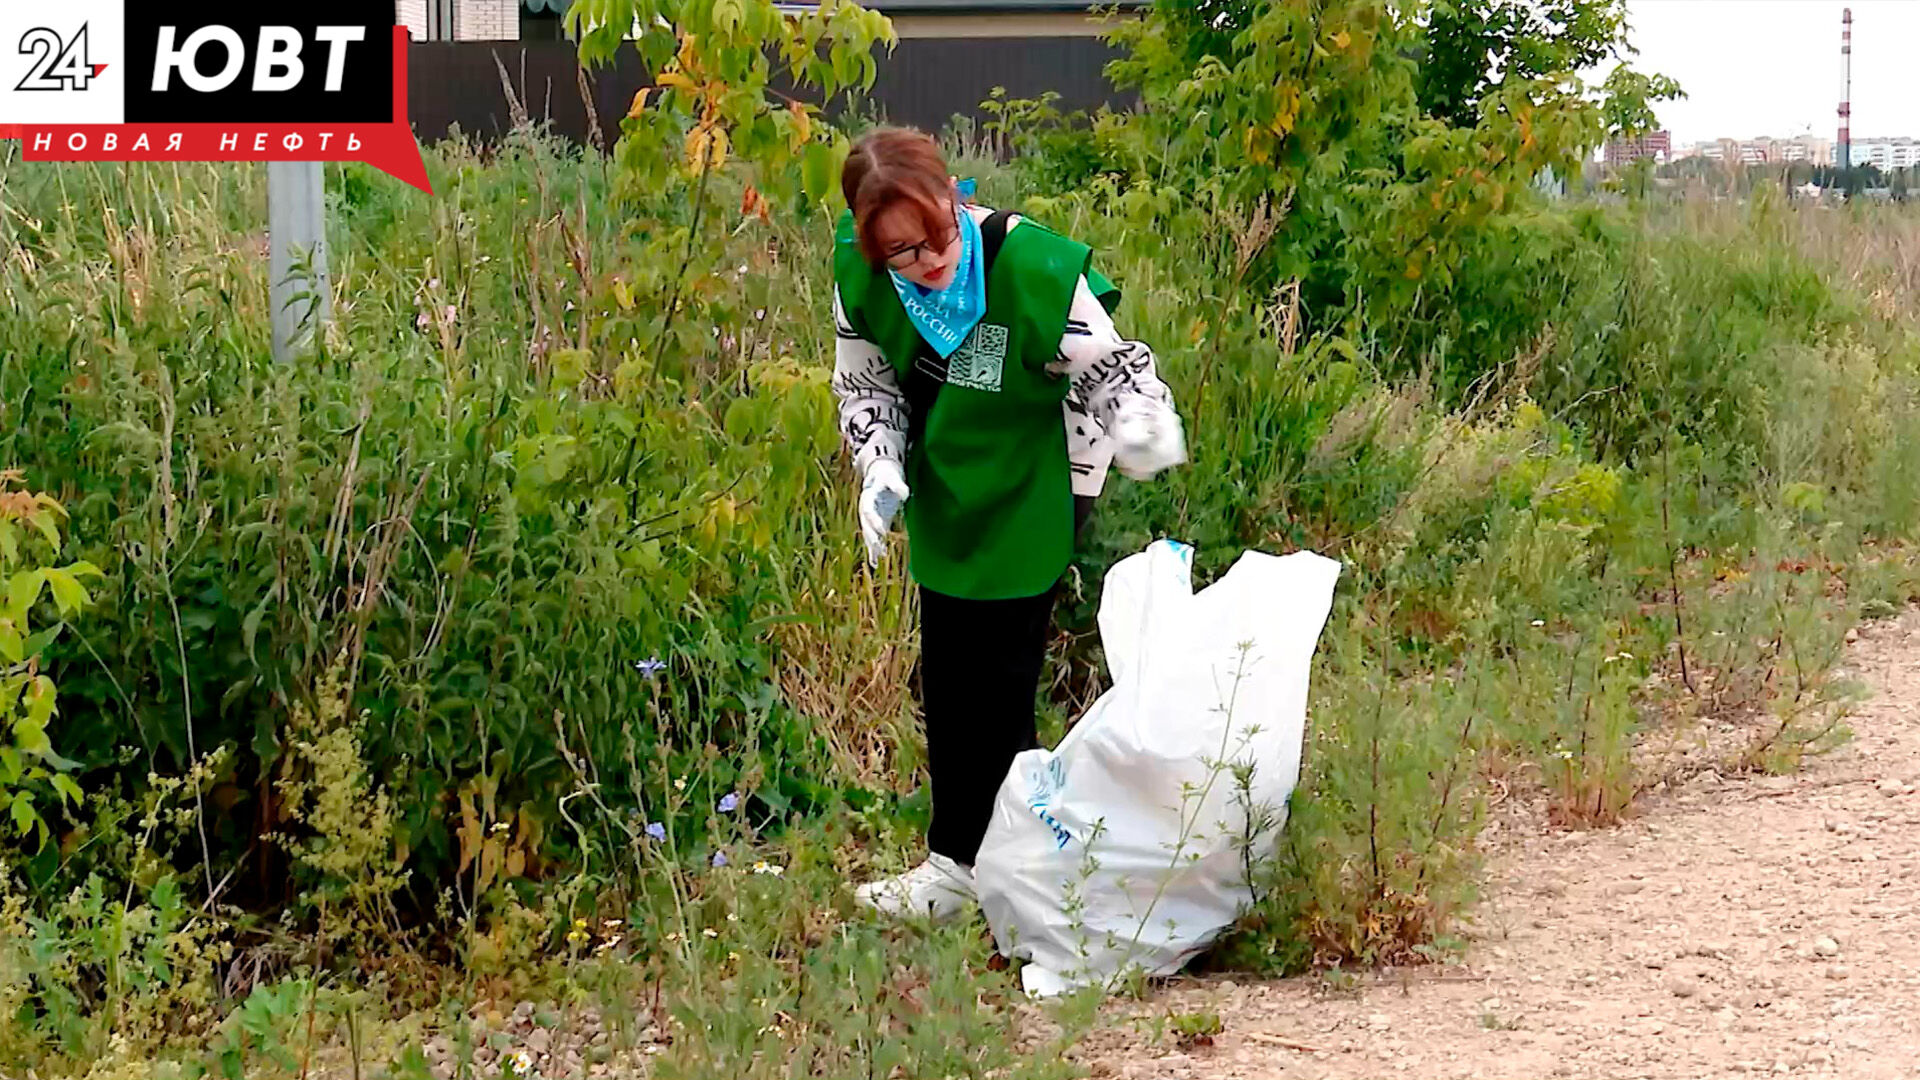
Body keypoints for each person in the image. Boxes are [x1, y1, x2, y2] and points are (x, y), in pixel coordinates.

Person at [830, 126, 1187, 921]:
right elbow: (867, 385)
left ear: (954, 194)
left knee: (1001, 680)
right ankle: (958, 867)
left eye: (937, 236)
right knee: (947, 679)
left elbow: (1108, 367)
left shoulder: (1030, 265)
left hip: (1035, 476)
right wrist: (879, 462)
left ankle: (1017, 874)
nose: (929, 263)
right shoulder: (862, 281)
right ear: (870, 243)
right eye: (902, 254)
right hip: (947, 486)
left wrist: (1139, 421)